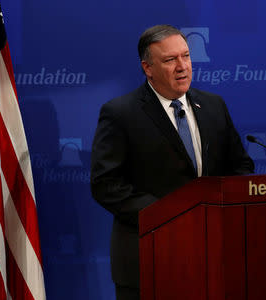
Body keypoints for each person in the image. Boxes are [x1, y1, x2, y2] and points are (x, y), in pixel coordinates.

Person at [90, 24, 254, 300]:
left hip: (212, 257)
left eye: (186, 56)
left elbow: (241, 167)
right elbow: (106, 184)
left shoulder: (214, 105)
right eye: (170, 60)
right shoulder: (120, 113)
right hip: (148, 257)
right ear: (148, 68)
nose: (182, 66)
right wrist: (169, 214)